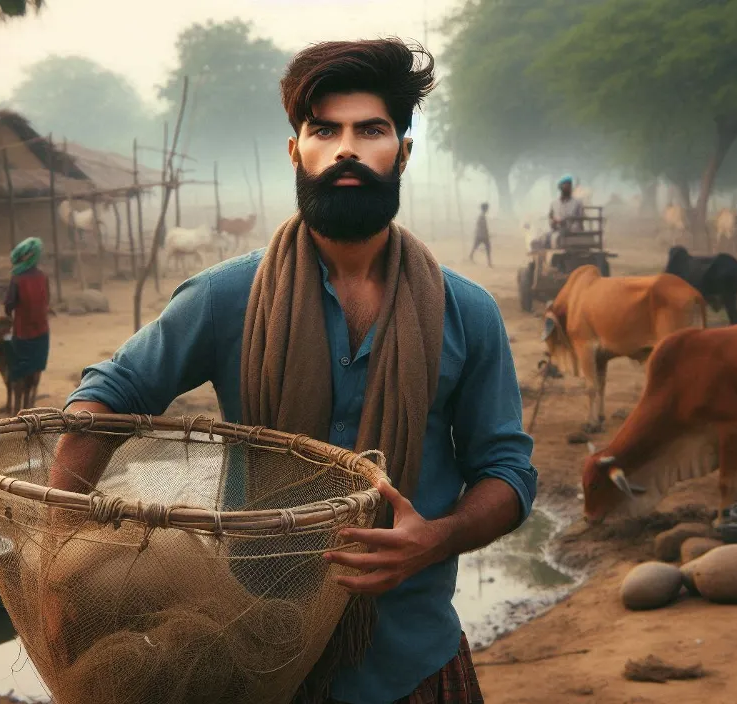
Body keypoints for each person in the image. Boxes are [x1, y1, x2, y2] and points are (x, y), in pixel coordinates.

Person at [56, 38, 535, 704]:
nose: (346, 148)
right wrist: (56, 562)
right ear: (296, 151)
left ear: (402, 152)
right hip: (260, 656)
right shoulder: (226, 298)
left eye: (370, 130)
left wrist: (436, 539)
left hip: (412, 657)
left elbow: (508, 472)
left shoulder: (467, 312)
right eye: (323, 130)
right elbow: (103, 398)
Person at [4, 236, 53, 412]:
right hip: (42, 331)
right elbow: (47, 300)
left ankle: (17, 409)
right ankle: (29, 405)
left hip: (21, 332)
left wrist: (10, 316)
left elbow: (8, 304)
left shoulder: (16, 279)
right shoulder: (43, 277)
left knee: (18, 371)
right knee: (36, 368)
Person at [548, 174, 585, 245]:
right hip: (557, 232)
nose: (568, 187)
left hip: (574, 233)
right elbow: (550, 219)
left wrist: (566, 224)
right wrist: (554, 222)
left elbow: (580, 221)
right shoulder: (554, 204)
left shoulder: (577, 203)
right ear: (560, 187)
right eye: (566, 185)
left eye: (570, 185)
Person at [469, 202, 492, 267]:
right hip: (482, 235)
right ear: (485, 209)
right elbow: (483, 227)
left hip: (479, 235)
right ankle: (489, 263)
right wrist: (487, 234)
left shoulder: (481, 216)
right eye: (487, 208)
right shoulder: (482, 216)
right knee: (488, 248)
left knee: (475, 246)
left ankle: (470, 256)